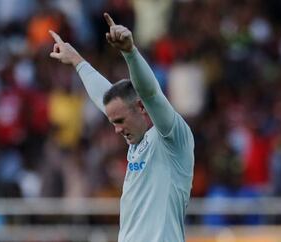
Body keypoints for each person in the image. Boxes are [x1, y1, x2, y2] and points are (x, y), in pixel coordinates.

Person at [49, 12, 194, 242]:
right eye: (113, 122)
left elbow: (151, 93)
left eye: (120, 121)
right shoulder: (136, 144)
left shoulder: (172, 138)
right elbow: (105, 98)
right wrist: (77, 61)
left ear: (141, 108)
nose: (117, 130)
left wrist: (130, 52)